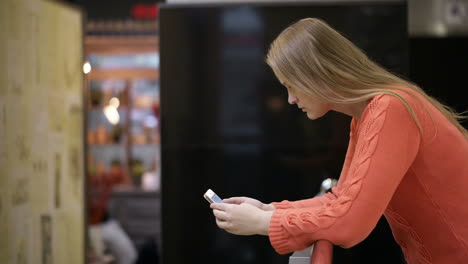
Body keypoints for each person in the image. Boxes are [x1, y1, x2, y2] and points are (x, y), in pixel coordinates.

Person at [210, 18, 468, 264]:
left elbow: (350, 222)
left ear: (317, 74)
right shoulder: (370, 113)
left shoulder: (390, 108)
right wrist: (267, 210)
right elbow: (341, 199)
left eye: (292, 85)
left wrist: (262, 224)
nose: (290, 99)